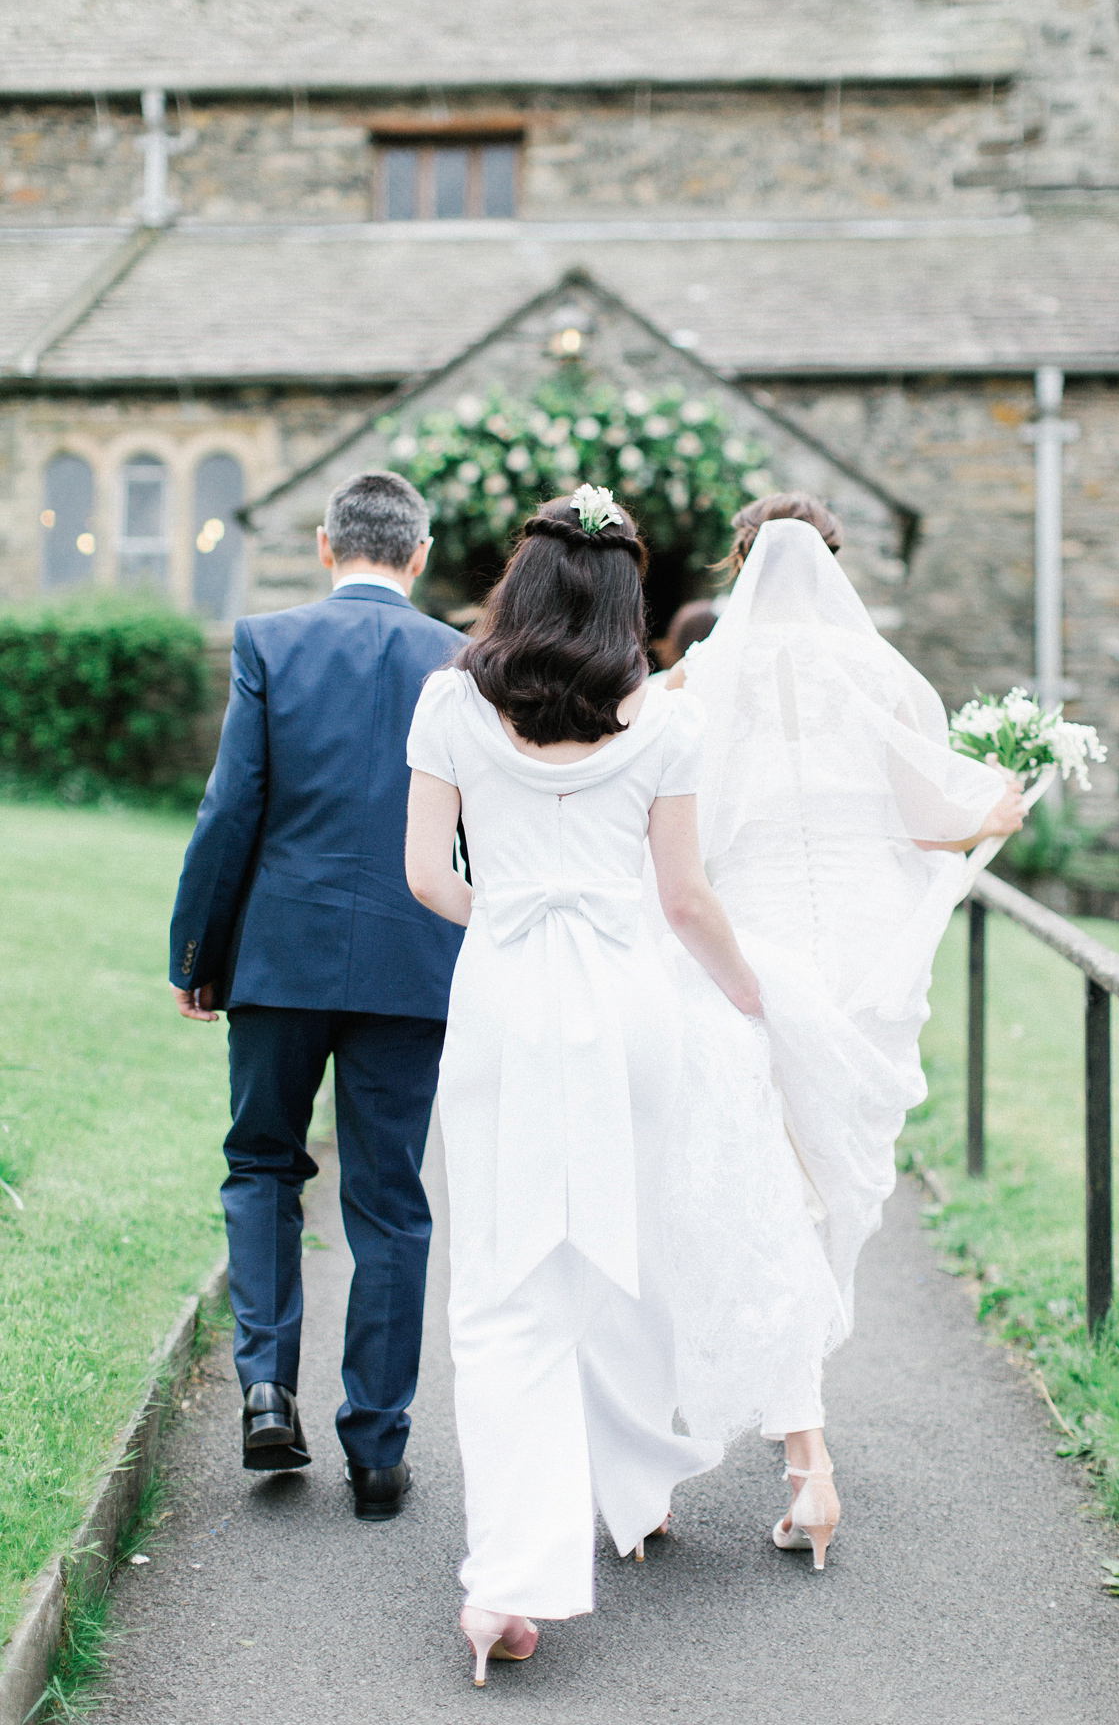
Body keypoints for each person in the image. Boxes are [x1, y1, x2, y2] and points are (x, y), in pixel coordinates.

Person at [404, 485, 760, 1684]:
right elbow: (686, 900)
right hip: (627, 1012)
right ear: (626, 602)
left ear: (522, 582)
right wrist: (755, 996)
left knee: (504, 1286)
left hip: (505, 1006)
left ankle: (510, 1580)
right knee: (614, 1254)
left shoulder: (451, 703)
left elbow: (425, 879)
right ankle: (635, 1484)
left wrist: (511, 910)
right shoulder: (664, 724)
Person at [659, 495, 1023, 1566]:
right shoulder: (879, 674)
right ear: (833, 562)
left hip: (755, 941)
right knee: (825, 1186)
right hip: (863, 954)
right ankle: (803, 1449)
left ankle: (765, 1446)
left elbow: (669, 813)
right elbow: (928, 816)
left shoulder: (700, 678)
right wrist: (999, 805)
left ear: (740, 564)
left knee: (756, 1178)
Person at [168, 472, 463, 1521]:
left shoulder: (268, 642)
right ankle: (378, 1453)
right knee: (390, 1203)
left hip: (280, 961)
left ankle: (263, 1394)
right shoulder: (460, 661)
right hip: (413, 965)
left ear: (327, 545)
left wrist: (199, 950)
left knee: (260, 1166)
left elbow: (230, 808)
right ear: (418, 556)